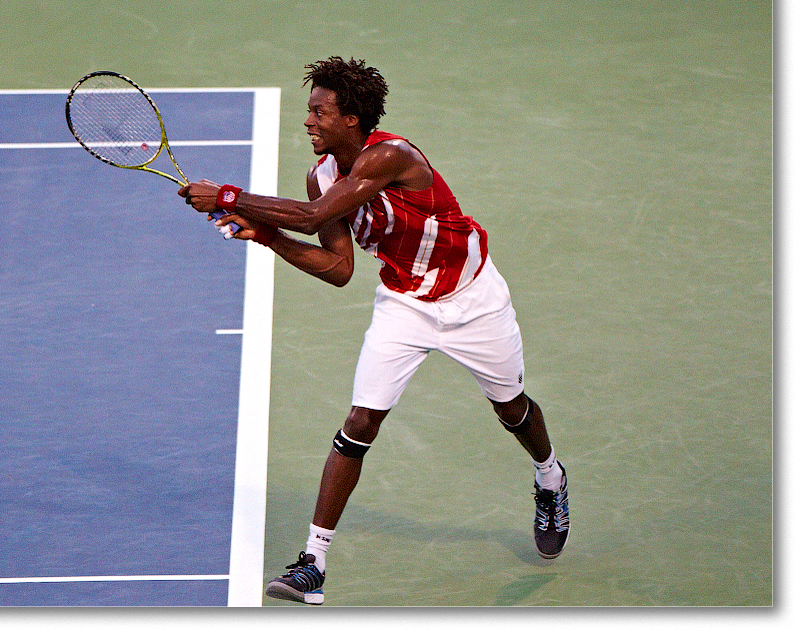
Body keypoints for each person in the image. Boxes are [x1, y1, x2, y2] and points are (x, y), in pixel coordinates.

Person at [179, 56, 569, 605]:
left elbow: (314, 217)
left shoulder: (391, 155)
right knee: (360, 421)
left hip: (473, 297)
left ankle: (549, 476)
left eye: (319, 111)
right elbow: (339, 269)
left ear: (352, 118)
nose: (308, 121)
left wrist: (227, 196)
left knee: (510, 407)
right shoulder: (319, 176)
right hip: (404, 304)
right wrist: (265, 235)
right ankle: (312, 562)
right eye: (309, 111)